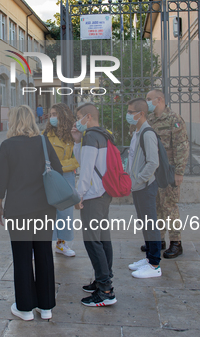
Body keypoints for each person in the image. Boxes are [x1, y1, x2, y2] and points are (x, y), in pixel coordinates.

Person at [0, 105, 61, 321]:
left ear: (13, 121)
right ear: (32, 120)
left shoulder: (7, 146)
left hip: (18, 210)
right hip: (44, 208)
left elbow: (1, 180)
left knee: (22, 257)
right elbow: (58, 171)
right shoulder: (43, 142)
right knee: (43, 254)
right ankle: (46, 307)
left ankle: (24, 308)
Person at [70, 103, 116, 307]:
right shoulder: (103, 134)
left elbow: (86, 171)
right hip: (103, 193)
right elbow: (87, 161)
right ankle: (102, 278)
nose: (76, 121)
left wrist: (78, 196)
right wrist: (77, 142)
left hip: (92, 195)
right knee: (102, 237)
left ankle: (105, 290)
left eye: (78, 117)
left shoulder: (91, 137)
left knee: (92, 241)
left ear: (88, 117)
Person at [146, 89, 190, 258]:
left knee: (169, 206)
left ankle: (176, 242)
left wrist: (179, 172)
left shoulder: (174, 119)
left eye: (150, 99)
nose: (147, 101)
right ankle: (159, 239)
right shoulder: (150, 120)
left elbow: (182, 146)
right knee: (156, 206)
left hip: (169, 170)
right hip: (154, 170)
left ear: (160, 99)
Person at [126, 98, 162, 278]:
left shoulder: (147, 133)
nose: (128, 115)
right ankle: (149, 258)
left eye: (131, 112)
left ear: (141, 113)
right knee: (144, 223)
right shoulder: (137, 132)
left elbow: (153, 163)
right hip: (137, 186)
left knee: (150, 224)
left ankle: (155, 264)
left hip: (145, 186)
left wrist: (139, 180)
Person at [43, 103, 79, 257]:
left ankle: (61, 244)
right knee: (46, 211)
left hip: (67, 176)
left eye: (55, 114)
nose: (52, 118)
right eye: (50, 114)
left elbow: (76, 159)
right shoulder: (46, 135)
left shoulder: (73, 135)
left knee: (65, 212)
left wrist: (60, 165)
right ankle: (41, 244)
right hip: (50, 176)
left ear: (63, 117)